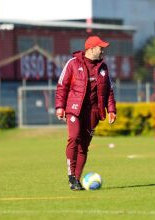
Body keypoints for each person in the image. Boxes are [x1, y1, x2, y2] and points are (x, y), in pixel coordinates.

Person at [55, 35, 117, 191]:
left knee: (83, 146)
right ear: (91, 49)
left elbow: (109, 90)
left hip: (93, 112)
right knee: (74, 137)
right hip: (74, 109)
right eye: (100, 48)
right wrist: (59, 107)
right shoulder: (73, 63)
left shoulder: (103, 67)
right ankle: (71, 176)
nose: (103, 51)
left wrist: (111, 110)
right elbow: (62, 86)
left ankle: (76, 180)